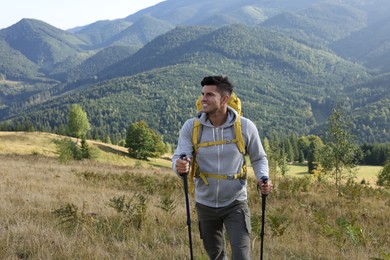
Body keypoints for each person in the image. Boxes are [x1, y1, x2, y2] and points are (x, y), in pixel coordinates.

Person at [172, 75, 272, 260]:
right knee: (216, 255)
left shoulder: (245, 127)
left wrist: (262, 178)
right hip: (205, 204)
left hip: (236, 202)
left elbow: (259, 158)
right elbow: (180, 157)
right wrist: (179, 166)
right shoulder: (191, 127)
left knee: (242, 256)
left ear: (225, 99)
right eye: (202, 94)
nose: (203, 98)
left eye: (209, 94)